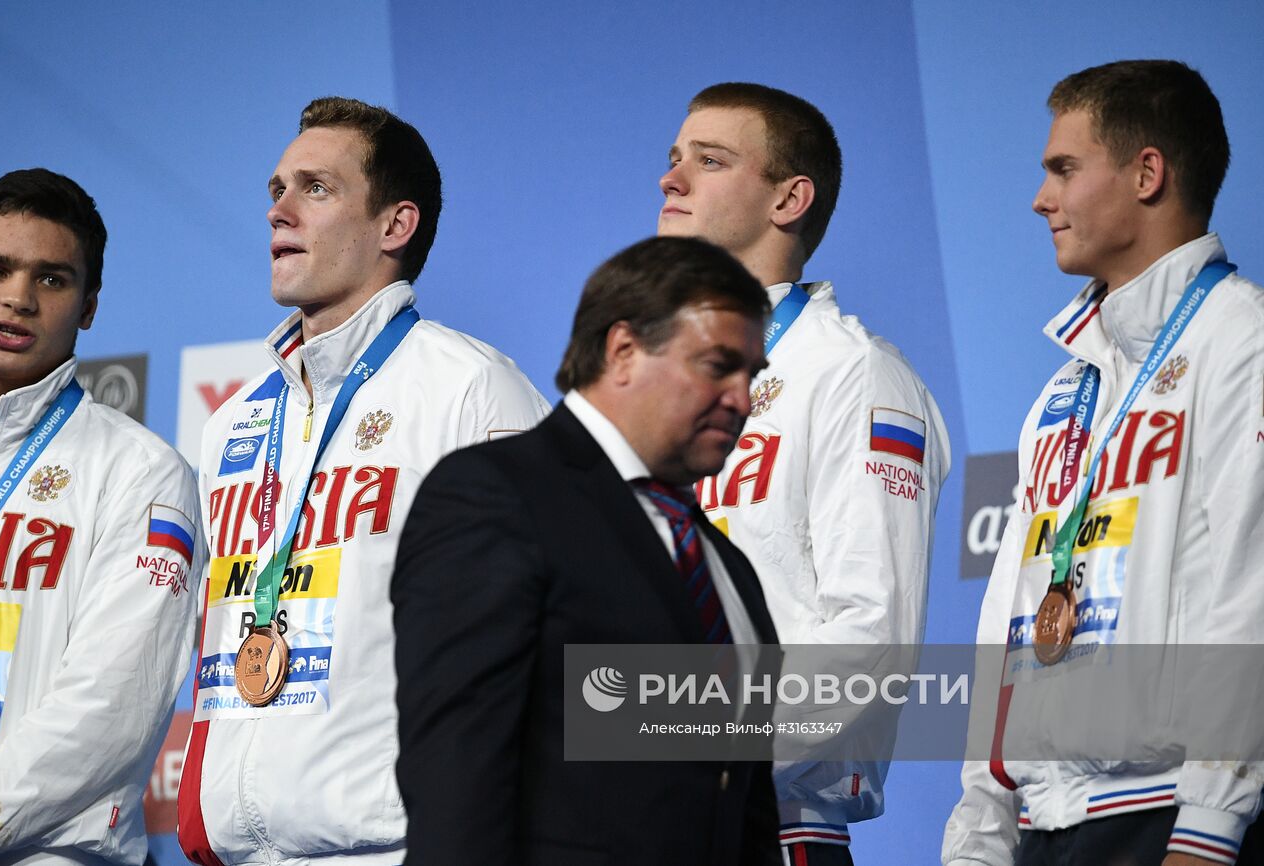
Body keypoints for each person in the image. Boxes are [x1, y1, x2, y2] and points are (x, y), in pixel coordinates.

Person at [177, 96, 548, 866]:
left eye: (316, 188)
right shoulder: (234, 422)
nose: (280, 209)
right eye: (276, 188)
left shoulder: (471, 390)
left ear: (395, 226)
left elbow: (542, 633)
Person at [943, 60, 1264, 866]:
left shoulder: (1243, 342)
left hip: (1172, 824)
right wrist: (981, 831)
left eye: (1063, 169)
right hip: (1044, 827)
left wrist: (1210, 828)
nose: (1040, 198)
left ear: (1147, 172)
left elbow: (1249, 594)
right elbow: (1007, 620)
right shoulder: (1064, 390)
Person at [393, 235, 781, 866]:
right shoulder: (496, 495)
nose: (743, 398)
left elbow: (746, 810)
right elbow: (457, 778)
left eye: (751, 375)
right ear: (623, 351)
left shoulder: (726, 567)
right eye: (717, 366)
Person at [0, 168, 204, 865]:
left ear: (88, 306)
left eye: (51, 279)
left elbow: (113, 708)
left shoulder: (140, 472)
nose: (17, 297)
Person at [657, 82, 950, 864]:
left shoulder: (852, 373)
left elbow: (866, 642)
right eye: (673, 159)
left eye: (709, 161)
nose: (671, 179)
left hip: (771, 826)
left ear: (790, 198)